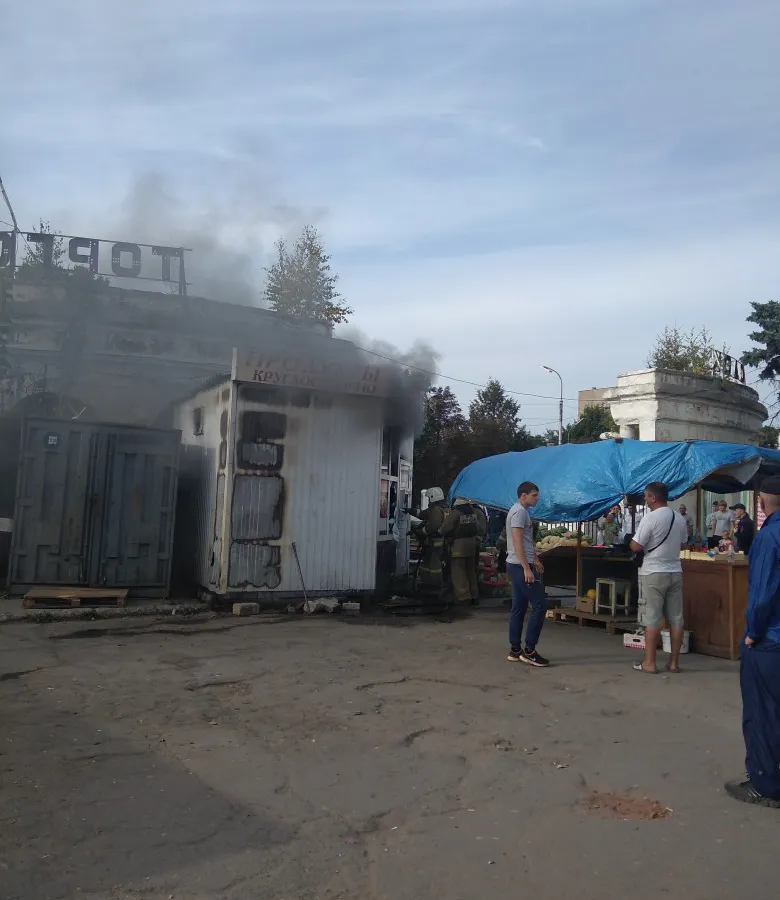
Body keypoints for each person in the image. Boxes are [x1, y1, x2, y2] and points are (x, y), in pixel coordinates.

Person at [725, 476, 780, 807]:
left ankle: (765, 783)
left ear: (760, 503)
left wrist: (752, 634)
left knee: (762, 713)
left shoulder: (768, 538)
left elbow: (762, 595)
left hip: (769, 642)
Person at [630, 481, 689, 674]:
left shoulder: (650, 518)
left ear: (653, 497)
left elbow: (636, 546)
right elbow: (683, 544)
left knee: (652, 618)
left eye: (646, 496)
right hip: (675, 572)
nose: (645, 500)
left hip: (653, 573)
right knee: (676, 619)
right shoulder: (679, 518)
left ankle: (649, 663)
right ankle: (674, 663)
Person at [505, 481, 548, 667]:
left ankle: (515, 650)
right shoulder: (519, 513)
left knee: (519, 607)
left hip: (518, 564)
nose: (537, 498)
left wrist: (535, 559)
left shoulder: (522, 512)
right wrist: (526, 568)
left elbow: (526, 540)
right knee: (540, 605)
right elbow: (517, 541)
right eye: (534, 495)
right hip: (519, 565)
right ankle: (530, 650)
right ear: (523, 496)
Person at [441, 498, 487, 604]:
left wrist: (440, 532)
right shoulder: (473, 512)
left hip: (458, 545)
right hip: (471, 545)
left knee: (459, 571)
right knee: (470, 571)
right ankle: (474, 595)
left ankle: (463, 597)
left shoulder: (456, 513)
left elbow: (444, 528)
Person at [412, 487, 447, 594]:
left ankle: (434, 585)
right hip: (434, 541)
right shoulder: (436, 508)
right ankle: (427, 582)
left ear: (433, 497)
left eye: (428, 498)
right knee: (428, 563)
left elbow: (432, 526)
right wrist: (410, 510)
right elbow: (422, 514)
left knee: (434, 564)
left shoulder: (436, 510)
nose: (428, 501)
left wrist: (420, 531)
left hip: (435, 542)